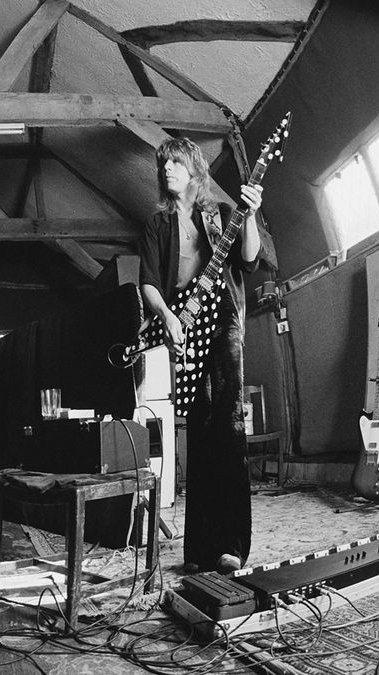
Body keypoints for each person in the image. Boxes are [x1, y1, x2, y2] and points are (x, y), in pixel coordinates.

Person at [138, 137, 263, 575]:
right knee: (200, 427)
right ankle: (199, 549)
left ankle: (232, 544)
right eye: (163, 164)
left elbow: (249, 259)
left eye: (175, 162)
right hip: (184, 324)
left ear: (194, 167)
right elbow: (149, 282)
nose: (167, 169)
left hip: (223, 317)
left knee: (228, 426)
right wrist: (169, 317)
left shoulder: (218, 214)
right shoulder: (156, 224)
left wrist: (250, 212)